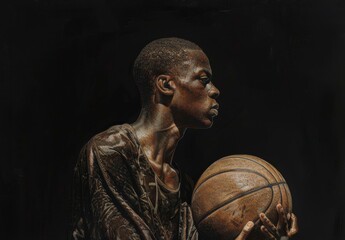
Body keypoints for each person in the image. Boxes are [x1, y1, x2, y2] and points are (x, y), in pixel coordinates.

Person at [71, 37, 298, 240]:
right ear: (166, 85)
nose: (215, 90)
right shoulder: (110, 151)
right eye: (203, 79)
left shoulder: (187, 190)